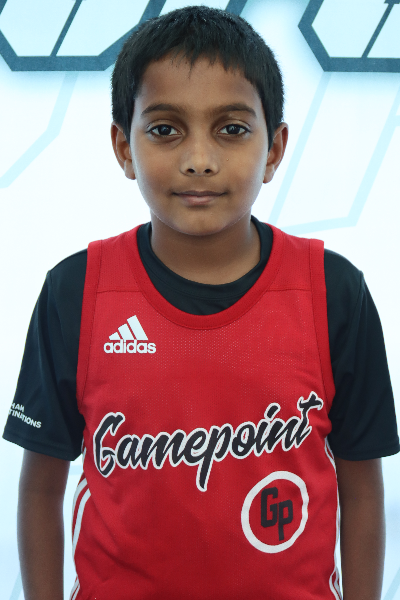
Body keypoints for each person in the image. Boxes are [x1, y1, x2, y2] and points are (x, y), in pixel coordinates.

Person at [3, 6, 399, 600]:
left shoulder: (334, 291)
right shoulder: (76, 291)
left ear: (274, 149)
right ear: (123, 147)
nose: (199, 158)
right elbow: (40, 487)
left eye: (231, 129)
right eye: (165, 129)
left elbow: (362, 484)